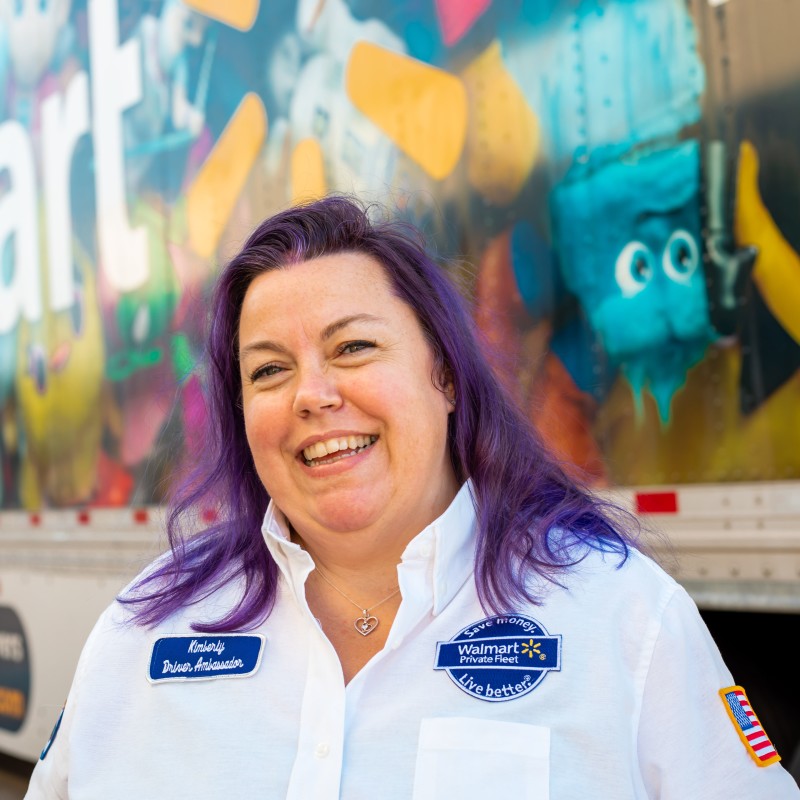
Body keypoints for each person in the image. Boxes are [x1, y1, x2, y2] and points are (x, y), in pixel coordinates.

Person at [26, 196, 800, 799]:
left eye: (353, 347)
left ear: (448, 377)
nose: (312, 395)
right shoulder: (142, 633)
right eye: (267, 371)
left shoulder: (623, 619)